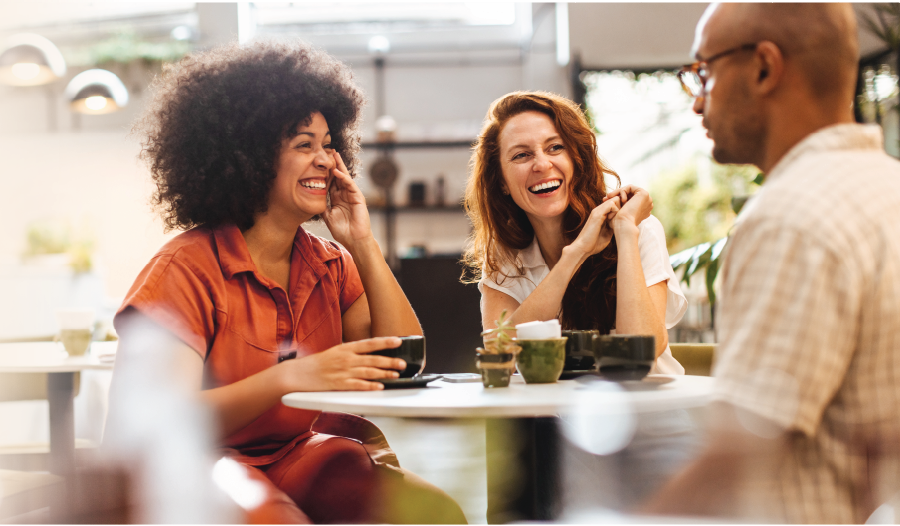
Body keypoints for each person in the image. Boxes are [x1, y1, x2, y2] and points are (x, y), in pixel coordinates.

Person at [108, 40, 466, 524]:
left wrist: (363, 242)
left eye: (327, 144)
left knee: (435, 514)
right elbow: (164, 422)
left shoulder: (331, 263)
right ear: (250, 157)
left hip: (296, 453)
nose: (326, 161)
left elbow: (402, 362)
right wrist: (287, 378)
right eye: (304, 145)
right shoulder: (184, 268)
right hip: (200, 464)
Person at [645, 3, 900, 523]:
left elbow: (735, 464)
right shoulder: (887, 188)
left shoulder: (793, 218)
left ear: (764, 67)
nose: (697, 104)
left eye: (703, 73)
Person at [463, 91, 687, 374]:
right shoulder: (505, 252)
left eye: (555, 147)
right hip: (557, 414)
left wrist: (626, 233)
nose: (542, 164)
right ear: (503, 182)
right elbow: (500, 355)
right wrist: (576, 253)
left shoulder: (637, 226)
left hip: (648, 412)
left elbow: (644, 348)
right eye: (522, 155)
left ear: (576, 158)